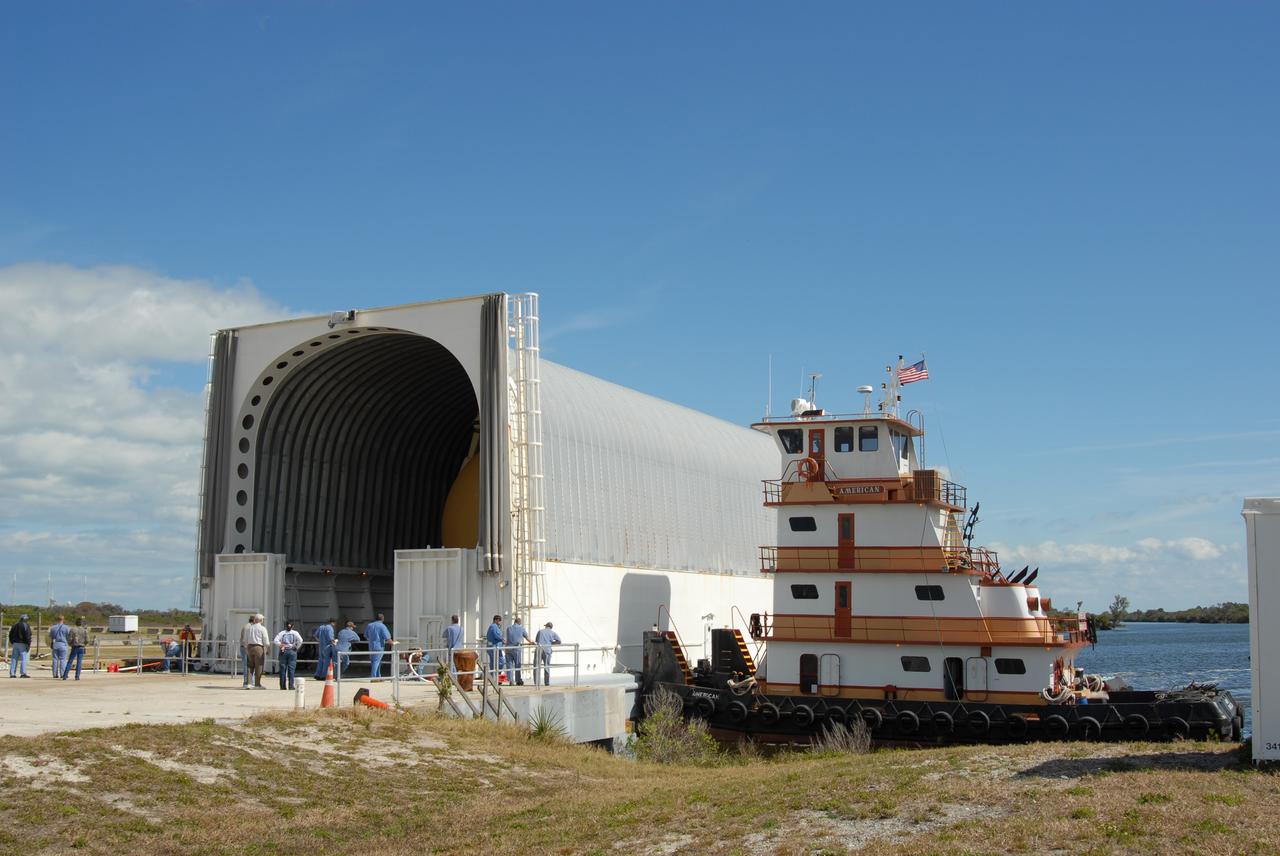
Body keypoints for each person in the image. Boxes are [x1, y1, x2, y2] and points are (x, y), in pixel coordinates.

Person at [241, 614, 269, 689]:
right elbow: (265, 639)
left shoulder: (249, 628)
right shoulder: (262, 628)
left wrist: (246, 648)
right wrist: (267, 648)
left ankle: (249, 683)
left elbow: (244, 640)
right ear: (261, 620)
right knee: (259, 666)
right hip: (258, 647)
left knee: (250, 666)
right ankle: (257, 684)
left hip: (250, 647)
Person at [274, 621, 303, 690]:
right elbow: (300, 640)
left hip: (283, 651)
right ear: (292, 626)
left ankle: (282, 686)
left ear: (285, 626)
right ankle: (291, 686)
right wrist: (296, 647)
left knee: (282, 669)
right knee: (291, 669)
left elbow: (275, 640)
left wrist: (280, 645)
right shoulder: (295, 633)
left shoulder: (282, 633)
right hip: (292, 651)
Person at [505, 616, 531, 685]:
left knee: (509, 665)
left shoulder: (508, 628)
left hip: (508, 648)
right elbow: (527, 638)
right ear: (520, 623)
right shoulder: (521, 628)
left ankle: (510, 681)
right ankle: (518, 680)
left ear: (514, 622)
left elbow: (507, 639)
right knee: (517, 665)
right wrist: (532, 642)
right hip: (516, 649)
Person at [364, 614, 392, 679]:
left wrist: (371, 640)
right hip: (379, 646)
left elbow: (365, 635)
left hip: (371, 646)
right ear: (382, 619)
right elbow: (387, 637)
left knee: (375, 662)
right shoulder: (382, 626)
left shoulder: (369, 625)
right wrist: (391, 642)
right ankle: (373, 677)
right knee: (376, 662)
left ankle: (378, 677)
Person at [534, 622, 561, 686]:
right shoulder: (553, 633)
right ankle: (547, 682)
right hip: (547, 650)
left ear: (546, 626)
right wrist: (551, 643)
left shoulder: (540, 631)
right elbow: (559, 641)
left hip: (539, 649)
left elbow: (536, 641)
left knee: (536, 666)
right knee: (547, 666)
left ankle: (537, 683)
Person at [8, 614, 31, 678]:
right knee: (23, 658)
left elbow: (10, 634)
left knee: (14, 658)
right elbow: (28, 635)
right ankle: (23, 673)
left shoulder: (14, 625)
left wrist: (12, 642)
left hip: (15, 643)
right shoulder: (26, 625)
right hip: (22, 643)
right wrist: (28, 644)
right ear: (25, 619)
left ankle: (12, 673)